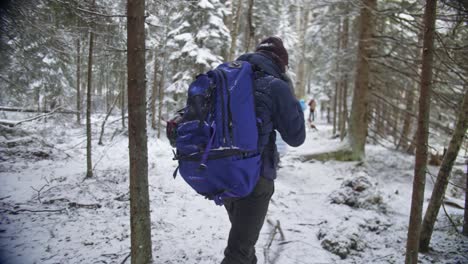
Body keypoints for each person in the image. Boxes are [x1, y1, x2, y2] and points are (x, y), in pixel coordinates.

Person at [221, 36, 306, 264]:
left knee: (244, 244)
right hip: (255, 179)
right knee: (239, 250)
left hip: (221, 173)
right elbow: (297, 137)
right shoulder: (275, 86)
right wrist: (291, 97)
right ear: (281, 63)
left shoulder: (228, 78)